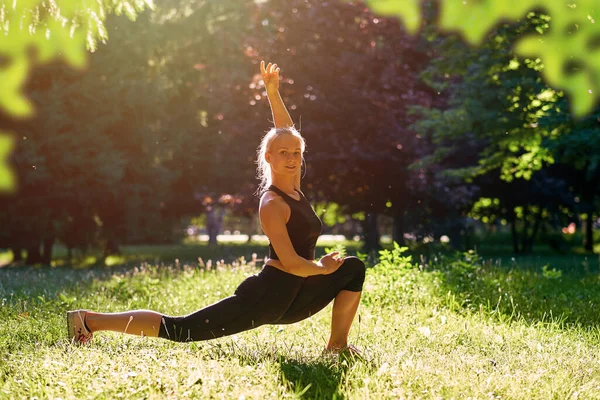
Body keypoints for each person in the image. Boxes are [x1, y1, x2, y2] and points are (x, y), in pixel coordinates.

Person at [67, 61, 366, 354]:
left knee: (353, 269)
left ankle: (337, 347)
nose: (291, 158)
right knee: (181, 330)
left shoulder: (295, 186)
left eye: (297, 153)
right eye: (284, 153)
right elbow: (290, 263)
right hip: (269, 297)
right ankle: (89, 320)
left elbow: (286, 131)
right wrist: (321, 268)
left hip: (298, 297)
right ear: (269, 157)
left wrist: (273, 93)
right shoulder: (272, 202)